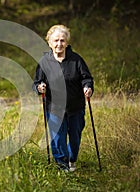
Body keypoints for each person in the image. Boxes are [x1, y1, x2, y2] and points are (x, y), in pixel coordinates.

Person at [33, 25, 94, 172]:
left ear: (67, 42)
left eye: (62, 40)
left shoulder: (76, 60)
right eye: (56, 40)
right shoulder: (45, 62)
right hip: (54, 108)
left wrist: (88, 87)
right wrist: (39, 87)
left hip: (75, 107)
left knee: (74, 138)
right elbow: (37, 82)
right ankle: (62, 165)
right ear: (49, 42)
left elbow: (86, 78)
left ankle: (72, 159)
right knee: (58, 138)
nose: (59, 44)